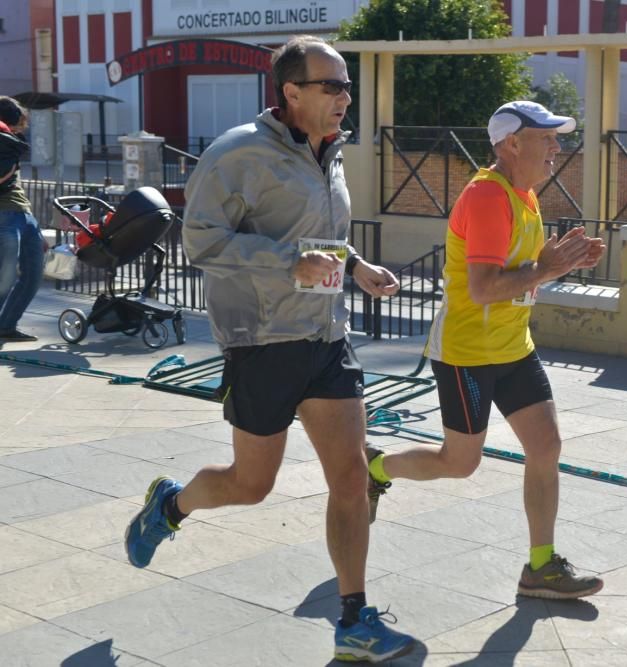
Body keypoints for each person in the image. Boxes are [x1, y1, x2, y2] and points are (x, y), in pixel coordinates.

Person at [123, 35, 414, 663]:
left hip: (326, 340)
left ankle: (354, 620)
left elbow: (321, 241)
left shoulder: (328, 152)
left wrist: (357, 266)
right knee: (251, 485)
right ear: (291, 92)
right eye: (331, 86)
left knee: (352, 478)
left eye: (346, 86)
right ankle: (170, 504)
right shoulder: (238, 155)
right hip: (261, 342)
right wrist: (289, 264)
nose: (345, 96)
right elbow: (200, 243)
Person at [367, 101, 607, 600]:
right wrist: (546, 269)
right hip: (468, 354)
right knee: (460, 463)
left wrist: (559, 261)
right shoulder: (485, 197)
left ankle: (540, 567)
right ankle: (374, 468)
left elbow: (521, 272)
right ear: (512, 144)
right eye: (547, 138)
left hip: (514, 346)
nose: (557, 148)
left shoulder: (526, 195)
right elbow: (482, 288)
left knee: (547, 446)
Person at [0, 97, 44, 343]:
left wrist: (32, 223)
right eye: (19, 125)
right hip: (3, 216)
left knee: (33, 274)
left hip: (22, 214)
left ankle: (6, 326)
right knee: (4, 279)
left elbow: (16, 187)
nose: (20, 131)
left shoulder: (9, 147)